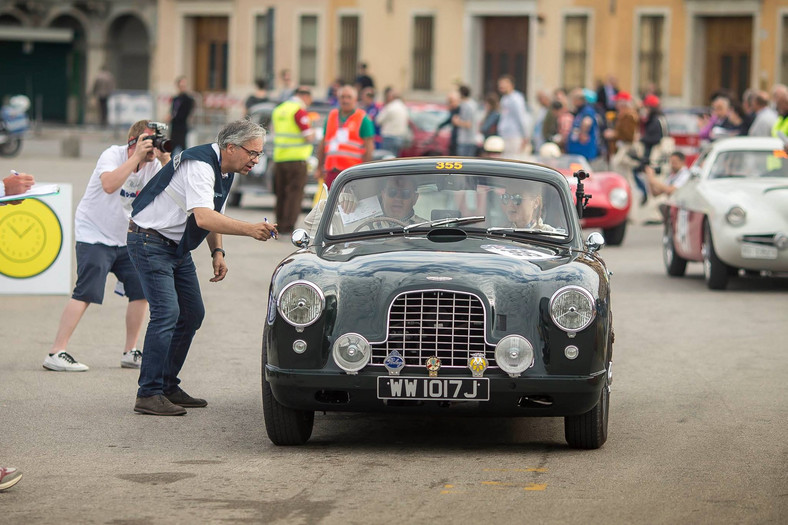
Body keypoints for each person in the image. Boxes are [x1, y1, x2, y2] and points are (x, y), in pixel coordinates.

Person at [127, 119, 278, 416]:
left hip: (175, 246)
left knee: (193, 313)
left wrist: (217, 251)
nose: (256, 160)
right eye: (253, 153)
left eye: (260, 154)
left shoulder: (226, 167)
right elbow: (204, 218)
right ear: (231, 147)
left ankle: (167, 385)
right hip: (150, 241)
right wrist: (250, 229)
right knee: (167, 313)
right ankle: (148, 393)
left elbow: (213, 213)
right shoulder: (200, 165)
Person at [44, 120, 169, 372]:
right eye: (148, 142)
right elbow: (110, 185)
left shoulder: (155, 165)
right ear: (133, 142)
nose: (152, 149)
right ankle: (56, 351)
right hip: (94, 231)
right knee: (86, 291)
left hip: (125, 236)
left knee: (140, 291)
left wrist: (166, 161)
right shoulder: (112, 154)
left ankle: (130, 352)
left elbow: (172, 194)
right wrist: (135, 158)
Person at [272, 86, 315, 233]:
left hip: (279, 157)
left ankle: (279, 224)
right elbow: (307, 136)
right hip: (297, 158)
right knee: (294, 194)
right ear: (305, 96)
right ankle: (288, 226)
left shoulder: (279, 109)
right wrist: (315, 133)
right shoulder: (299, 111)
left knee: (281, 194)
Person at [315, 85, 375, 190]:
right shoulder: (331, 116)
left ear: (355, 99)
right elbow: (323, 143)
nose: (345, 100)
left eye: (349, 97)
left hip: (352, 173)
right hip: (331, 172)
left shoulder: (363, 118)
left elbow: (369, 148)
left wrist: (365, 173)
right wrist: (319, 167)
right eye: (342, 97)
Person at [497, 75, 531, 156]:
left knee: (513, 158)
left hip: (514, 135)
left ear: (510, 85)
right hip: (505, 134)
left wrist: (525, 135)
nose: (501, 86)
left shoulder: (516, 99)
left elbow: (521, 117)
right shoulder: (504, 98)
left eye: (503, 84)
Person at [567, 88, 600, 163]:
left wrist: (583, 133)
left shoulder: (587, 110)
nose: (572, 102)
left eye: (574, 99)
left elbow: (587, 121)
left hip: (583, 151)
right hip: (577, 151)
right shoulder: (580, 111)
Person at [376, 88, 409, 156]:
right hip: (400, 138)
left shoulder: (390, 107)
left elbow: (378, 120)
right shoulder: (403, 107)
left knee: (387, 160)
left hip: (389, 137)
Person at [169, 76, 195, 154]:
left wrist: (173, 117)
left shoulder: (188, 99)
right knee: (172, 148)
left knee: (183, 147)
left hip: (182, 126)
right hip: (174, 126)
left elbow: (185, 113)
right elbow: (173, 111)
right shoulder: (175, 99)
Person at [452, 85, 478, 156]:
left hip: (467, 140)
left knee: (464, 164)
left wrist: (457, 122)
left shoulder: (468, 106)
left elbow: (468, 124)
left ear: (461, 94)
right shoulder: (470, 104)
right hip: (467, 140)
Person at [434, 91, 461, 155]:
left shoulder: (459, 110)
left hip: (459, 137)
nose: (449, 104)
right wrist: (440, 126)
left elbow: (455, 121)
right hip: (454, 136)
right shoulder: (454, 110)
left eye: (451, 102)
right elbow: (449, 120)